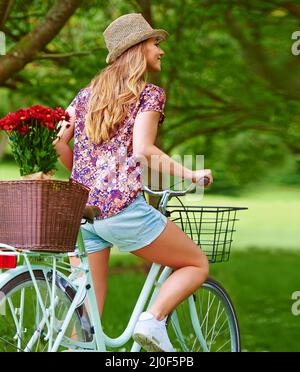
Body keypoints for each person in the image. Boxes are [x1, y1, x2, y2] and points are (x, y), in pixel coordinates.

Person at [54, 13, 213, 352]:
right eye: (156, 43)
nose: (161, 51)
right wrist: (192, 175)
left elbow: (58, 143)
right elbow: (144, 150)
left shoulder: (85, 96)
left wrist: (84, 177)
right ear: (138, 48)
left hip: (81, 213)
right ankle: (152, 321)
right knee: (196, 263)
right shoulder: (149, 94)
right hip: (119, 209)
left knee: (87, 315)